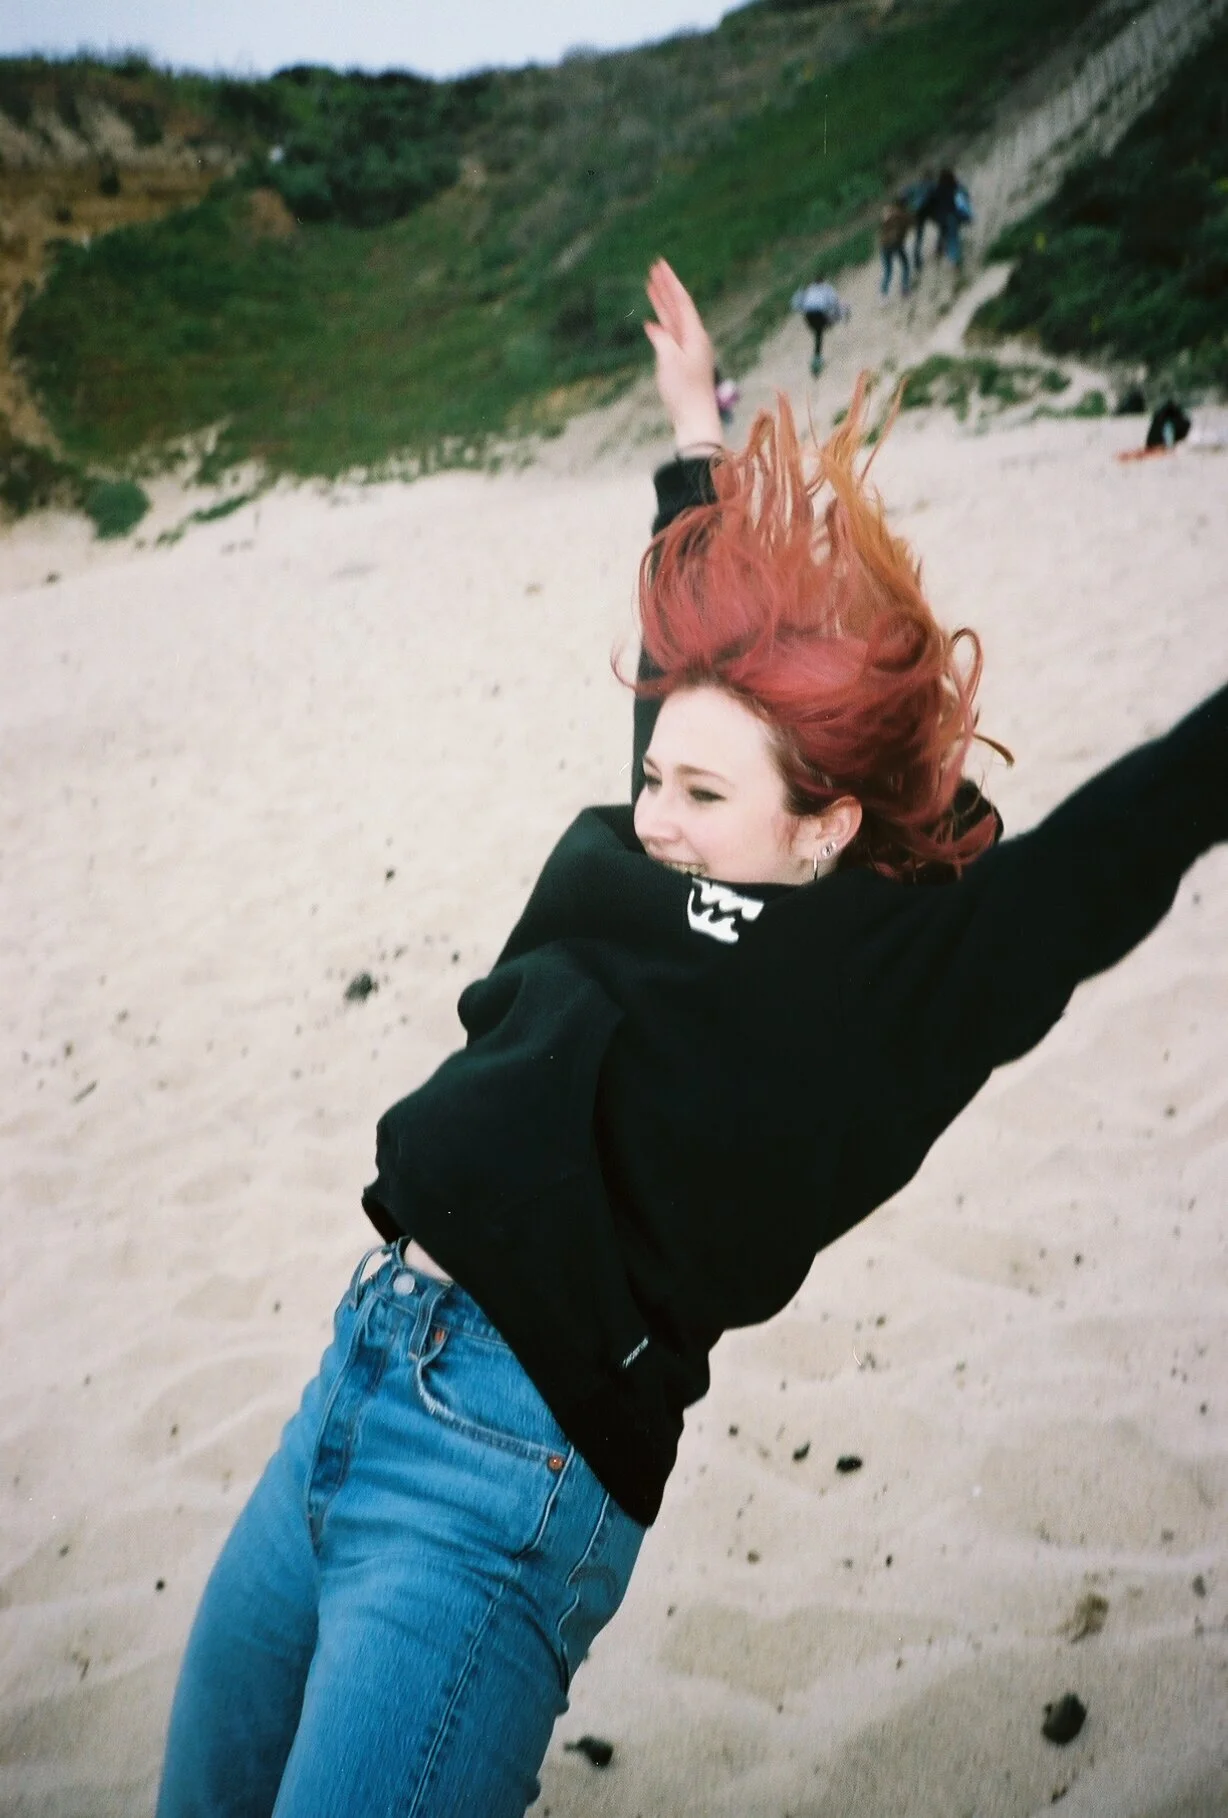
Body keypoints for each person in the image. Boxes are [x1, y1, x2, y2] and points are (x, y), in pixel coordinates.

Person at [157, 258, 1227, 1818]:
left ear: (824, 828)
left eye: (702, 794)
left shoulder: (865, 998)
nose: (653, 813)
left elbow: (1094, 868)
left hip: (497, 1479)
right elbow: (687, 713)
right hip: (357, 1371)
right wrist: (691, 434)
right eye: (653, 773)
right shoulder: (662, 854)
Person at [789, 274, 851, 375]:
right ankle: (844, 314)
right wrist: (838, 310)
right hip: (818, 312)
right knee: (828, 324)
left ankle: (817, 359)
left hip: (808, 315)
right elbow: (833, 301)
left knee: (818, 334)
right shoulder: (826, 287)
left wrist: (804, 308)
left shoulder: (808, 288)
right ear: (823, 281)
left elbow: (796, 304)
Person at [879, 195, 913, 297]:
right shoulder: (905, 216)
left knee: (888, 270)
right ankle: (904, 289)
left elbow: (883, 223)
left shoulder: (889, 212)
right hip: (896, 243)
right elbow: (912, 223)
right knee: (905, 265)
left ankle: (883, 294)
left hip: (884, 244)